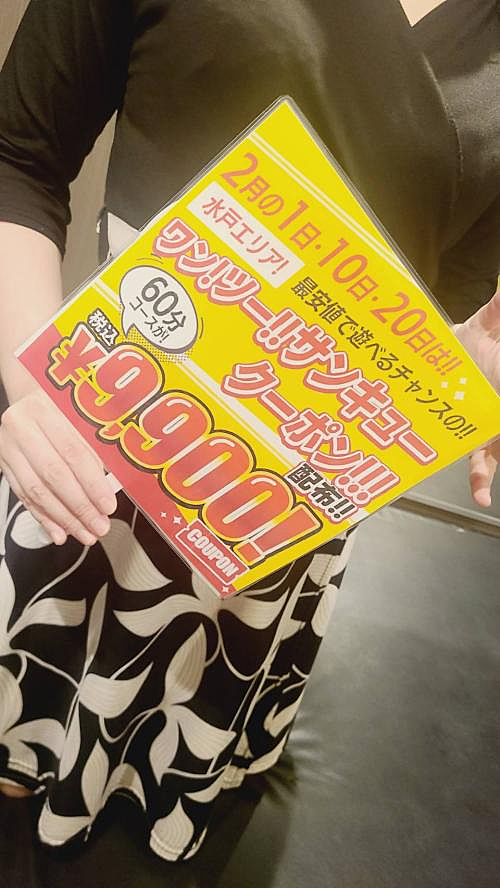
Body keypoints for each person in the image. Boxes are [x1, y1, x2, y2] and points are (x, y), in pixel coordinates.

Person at [0, 0, 498, 863]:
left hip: (281, 529)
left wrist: (468, 377)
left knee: (172, 792)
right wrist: (26, 381)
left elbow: (444, 295)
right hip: (90, 459)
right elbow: (18, 154)